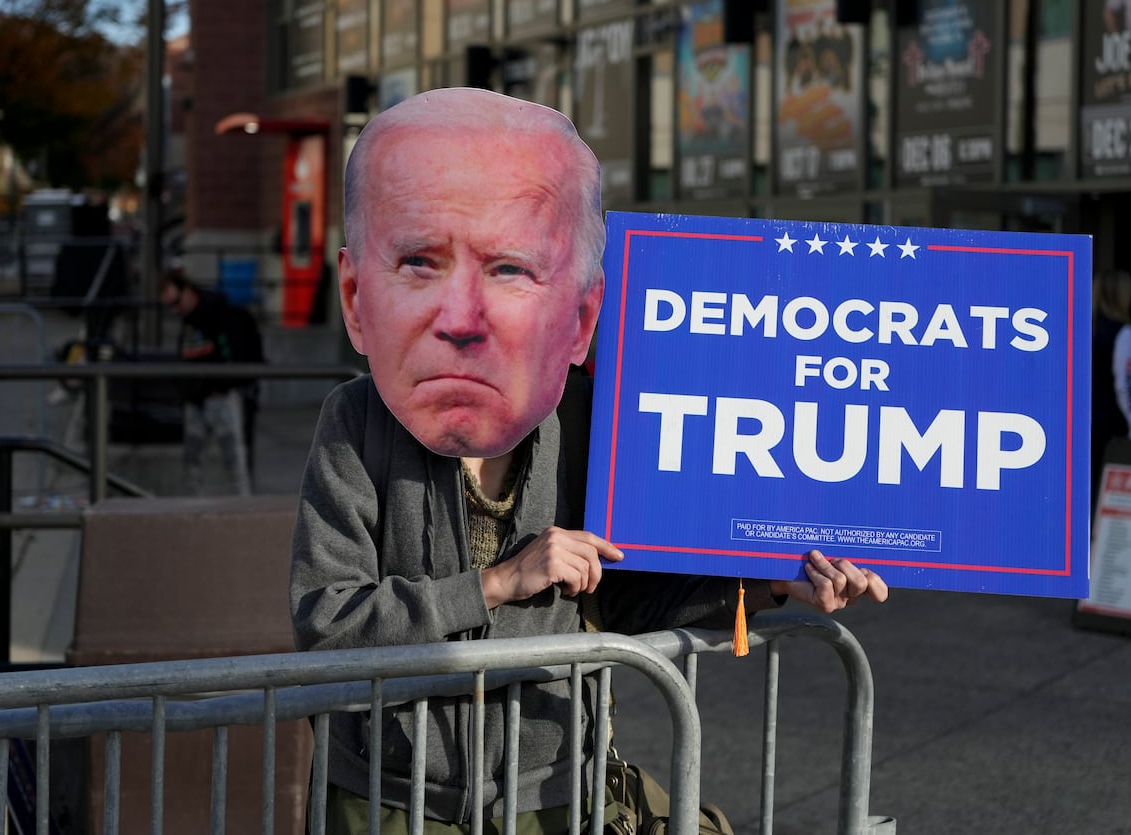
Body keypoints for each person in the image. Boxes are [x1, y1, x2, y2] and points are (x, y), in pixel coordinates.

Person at [289, 88, 887, 832]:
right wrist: (497, 584)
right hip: (386, 802)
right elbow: (327, 627)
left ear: (580, 320)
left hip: (555, 798)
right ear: (354, 296)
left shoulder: (592, 420)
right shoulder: (356, 422)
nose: (461, 318)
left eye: (509, 268)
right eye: (419, 261)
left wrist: (768, 577)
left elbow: (626, 601)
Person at [159, 267, 262, 495]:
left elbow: (236, 353)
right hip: (197, 397)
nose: (175, 310)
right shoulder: (189, 321)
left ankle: (243, 512)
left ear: (187, 291)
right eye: (170, 307)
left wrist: (222, 386)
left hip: (220, 396)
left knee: (233, 461)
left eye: (176, 302)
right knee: (193, 459)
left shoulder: (218, 314)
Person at [1092, 270, 1131, 493]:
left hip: (1085, 424)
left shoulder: (1085, 329)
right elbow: (1128, 385)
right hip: (1111, 428)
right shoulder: (1123, 333)